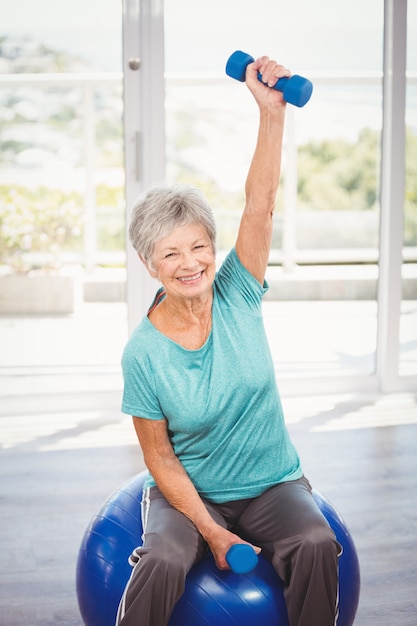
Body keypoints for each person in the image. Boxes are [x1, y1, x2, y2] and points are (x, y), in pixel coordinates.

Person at [116, 55, 341, 626]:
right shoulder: (143, 352)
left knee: (315, 541)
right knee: (165, 556)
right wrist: (212, 531)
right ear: (150, 264)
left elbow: (260, 205)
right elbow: (159, 456)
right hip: (192, 493)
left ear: (212, 248)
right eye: (170, 253)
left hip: (272, 483)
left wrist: (271, 113)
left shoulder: (238, 290)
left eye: (198, 247)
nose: (189, 263)